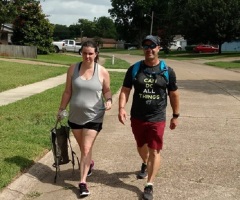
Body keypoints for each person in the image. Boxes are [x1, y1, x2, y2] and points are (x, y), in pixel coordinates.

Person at [118, 35, 180, 200]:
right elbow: (125, 90)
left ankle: (149, 184)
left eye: (152, 46)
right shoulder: (135, 69)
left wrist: (175, 115)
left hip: (157, 117)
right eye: (146, 46)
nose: (149, 49)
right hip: (137, 116)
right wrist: (121, 107)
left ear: (159, 48)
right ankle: (146, 163)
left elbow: (173, 95)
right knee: (140, 146)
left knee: (154, 149)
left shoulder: (167, 71)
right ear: (143, 49)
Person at [57, 40, 112, 197]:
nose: (87, 56)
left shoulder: (102, 72)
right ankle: (90, 163)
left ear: (96, 54)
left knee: (86, 148)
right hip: (75, 115)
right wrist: (61, 109)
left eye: (90, 53)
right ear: (81, 53)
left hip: (94, 116)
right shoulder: (73, 69)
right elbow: (67, 91)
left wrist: (109, 100)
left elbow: (107, 91)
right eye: (84, 53)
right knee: (83, 148)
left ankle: (82, 182)